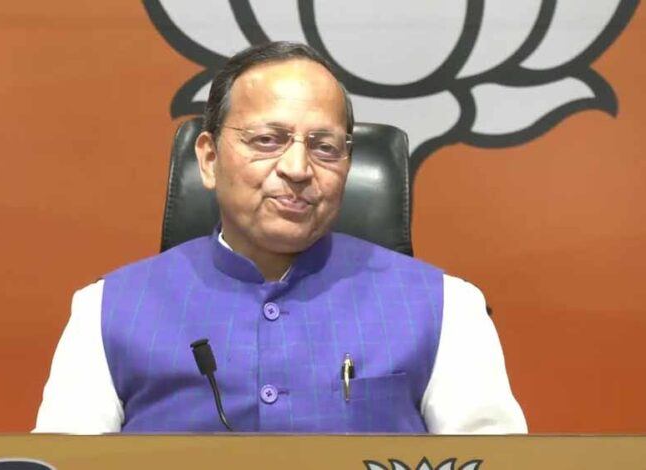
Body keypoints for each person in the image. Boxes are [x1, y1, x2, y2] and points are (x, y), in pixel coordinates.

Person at [34, 42, 527, 434]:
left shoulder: (447, 307)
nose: (297, 168)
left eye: (324, 147)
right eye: (267, 140)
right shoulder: (105, 310)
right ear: (209, 158)